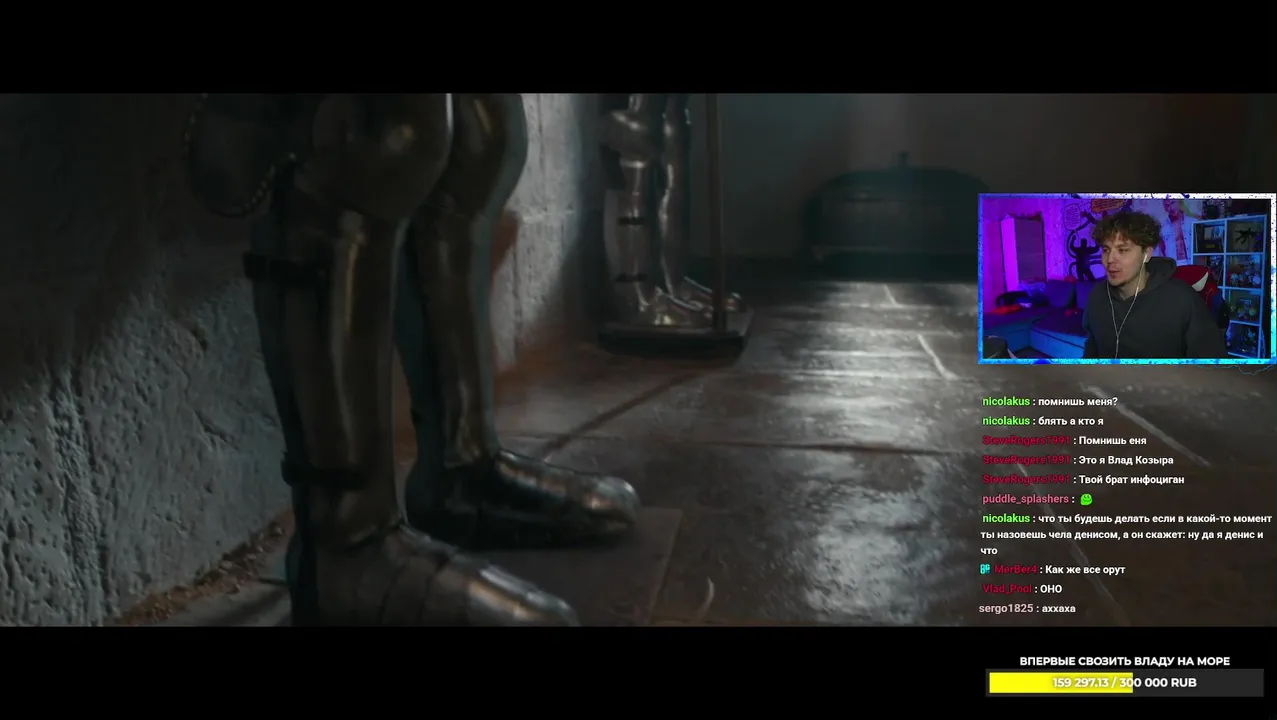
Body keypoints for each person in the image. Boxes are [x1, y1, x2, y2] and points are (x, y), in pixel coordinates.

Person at [1082, 211, 1228, 359]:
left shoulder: (1181, 299)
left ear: (1147, 254)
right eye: (1106, 250)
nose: (1110, 259)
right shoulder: (1097, 296)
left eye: (1123, 250)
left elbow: (1212, 361)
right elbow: (1092, 344)